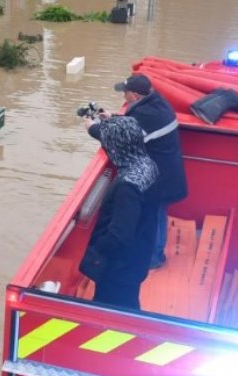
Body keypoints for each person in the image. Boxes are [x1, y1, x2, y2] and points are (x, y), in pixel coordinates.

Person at [89, 74, 188, 269]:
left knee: (153, 215)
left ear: (134, 95)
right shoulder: (157, 104)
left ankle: (153, 259)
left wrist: (93, 128)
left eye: (125, 93)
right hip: (167, 172)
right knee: (158, 213)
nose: (123, 97)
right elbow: (134, 125)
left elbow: (121, 139)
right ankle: (155, 255)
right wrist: (113, 117)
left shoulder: (145, 115)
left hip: (158, 177)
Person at [79, 116, 159, 310]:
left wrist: (97, 249)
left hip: (119, 267)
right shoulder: (147, 165)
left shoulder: (127, 187)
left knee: (110, 309)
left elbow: (120, 234)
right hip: (139, 255)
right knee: (129, 304)